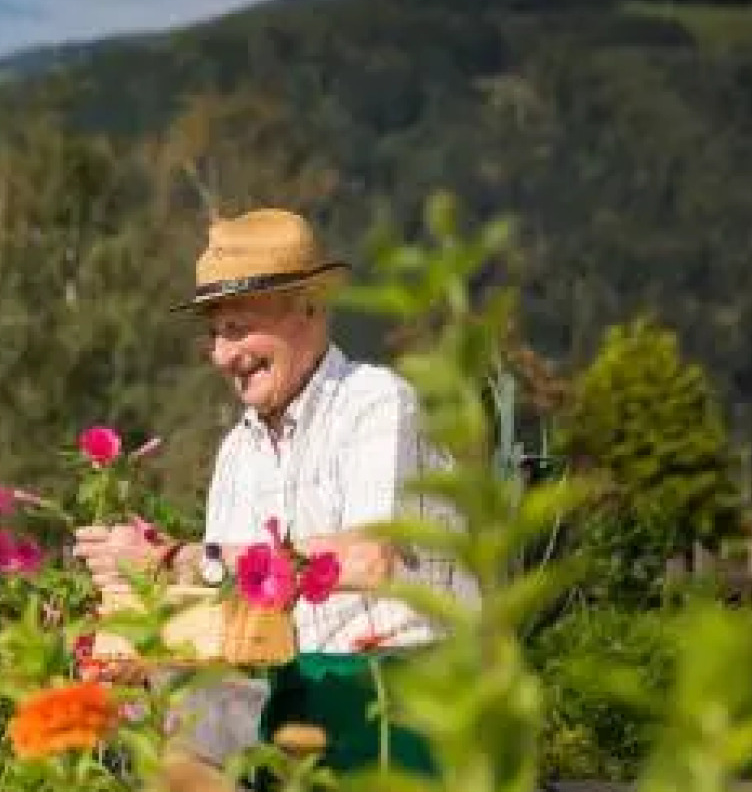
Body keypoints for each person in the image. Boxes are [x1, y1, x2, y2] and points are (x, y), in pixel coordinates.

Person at [72, 206, 476, 656]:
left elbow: (369, 558)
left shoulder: (375, 402)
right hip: (290, 685)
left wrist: (178, 559)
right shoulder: (238, 450)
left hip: (401, 680)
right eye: (214, 334)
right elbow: (231, 612)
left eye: (237, 329)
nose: (222, 356)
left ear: (309, 309)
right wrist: (138, 608)